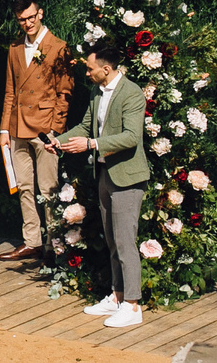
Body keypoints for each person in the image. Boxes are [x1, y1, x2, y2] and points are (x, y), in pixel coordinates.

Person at [46, 34, 149, 328]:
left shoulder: (132, 94)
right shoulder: (97, 92)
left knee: (126, 241)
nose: (86, 73)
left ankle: (133, 305)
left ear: (106, 69)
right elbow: (86, 125)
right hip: (105, 174)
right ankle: (117, 296)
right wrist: (59, 142)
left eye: (90, 69)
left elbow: (131, 138)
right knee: (113, 240)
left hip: (127, 177)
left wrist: (92, 145)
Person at [0, 0, 75, 262]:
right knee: (25, 187)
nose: (28, 23)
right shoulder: (15, 48)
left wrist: (55, 129)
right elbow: (9, 91)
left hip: (44, 130)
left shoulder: (59, 47)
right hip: (17, 128)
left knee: (48, 188)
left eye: (31, 17)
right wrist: (4, 130)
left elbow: (65, 92)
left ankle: (54, 245)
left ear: (40, 13)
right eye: (22, 20)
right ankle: (32, 242)